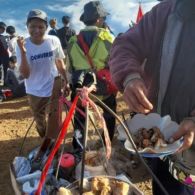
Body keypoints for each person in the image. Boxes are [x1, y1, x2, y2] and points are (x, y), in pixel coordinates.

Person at [109, 0, 195, 194]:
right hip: (163, 146)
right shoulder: (165, 12)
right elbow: (124, 45)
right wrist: (129, 76)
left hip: (192, 152)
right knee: (166, 187)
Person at [17, 9, 69, 157]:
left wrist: (65, 79)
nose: (37, 30)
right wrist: (23, 52)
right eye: (33, 26)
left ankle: (55, 146)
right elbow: (26, 74)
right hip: (34, 90)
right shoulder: (22, 44)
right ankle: (45, 141)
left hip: (54, 86)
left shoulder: (54, 40)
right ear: (27, 26)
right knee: (40, 122)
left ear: (46, 27)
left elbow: (59, 61)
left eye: (41, 27)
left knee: (55, 119)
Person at [68, 1, 117, 151]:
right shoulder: (108, 38)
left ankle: (78, 149)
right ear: (99, 20)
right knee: (109, 116)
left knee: (80, 119)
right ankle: (105, 144)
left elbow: (70, 69)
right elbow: (115, 63)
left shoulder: (72, 41)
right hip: (104, 89)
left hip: (81, 89)